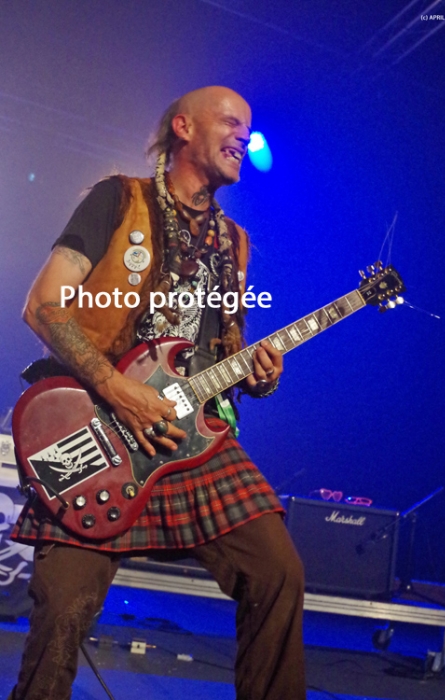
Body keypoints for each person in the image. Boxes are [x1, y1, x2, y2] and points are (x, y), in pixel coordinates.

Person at [9, 86, 306, 700]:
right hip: (97, 425)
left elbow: (219, 352)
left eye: (248, 129)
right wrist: (117, 389)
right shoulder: (118, 200)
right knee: (62, 610)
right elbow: (43, 305)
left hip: (191, 438)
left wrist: (256, 374)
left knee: (278, 572)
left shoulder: (235, 242)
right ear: (183, 128)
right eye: (231, 122)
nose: (244, 137)